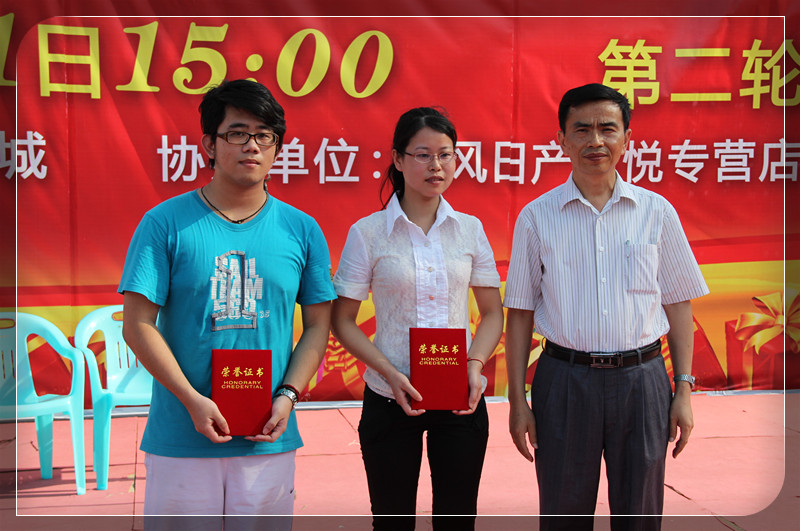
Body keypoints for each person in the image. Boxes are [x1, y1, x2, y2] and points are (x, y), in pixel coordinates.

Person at [119, 79, 336, 530]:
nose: (251, 145)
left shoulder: (302, 229)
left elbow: (318, 325)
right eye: (237, 133)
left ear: (277, 148)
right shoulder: (164, 223)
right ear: (209, 145)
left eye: (264, 135)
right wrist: (192, 400)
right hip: (182, 436)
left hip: (267, 435)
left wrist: (288, 395)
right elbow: (138, 324)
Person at [503, 83, 709, 531]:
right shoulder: (536, 217)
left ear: (627, 138)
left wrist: (684, 390)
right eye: (582, 130)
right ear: (562, 140)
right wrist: (517, 401)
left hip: (643, 381)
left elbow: (678, 304)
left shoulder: (656, 212)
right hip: (564, 381)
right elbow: (519, 313)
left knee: (640, 515)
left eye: (607, 129)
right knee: (563, 513)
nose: (595, 141)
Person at [331, 107, 504, 531]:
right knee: (391, 520)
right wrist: (388, 372)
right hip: (389, 396)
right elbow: (343, 320)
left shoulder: (469, 230)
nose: (436, 166)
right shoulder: (368, 233)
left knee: (457, 519)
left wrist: (474, 365)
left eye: (446, 155)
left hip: (460, 397)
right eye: (423, 155)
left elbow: (491, 313)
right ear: (398, 158)